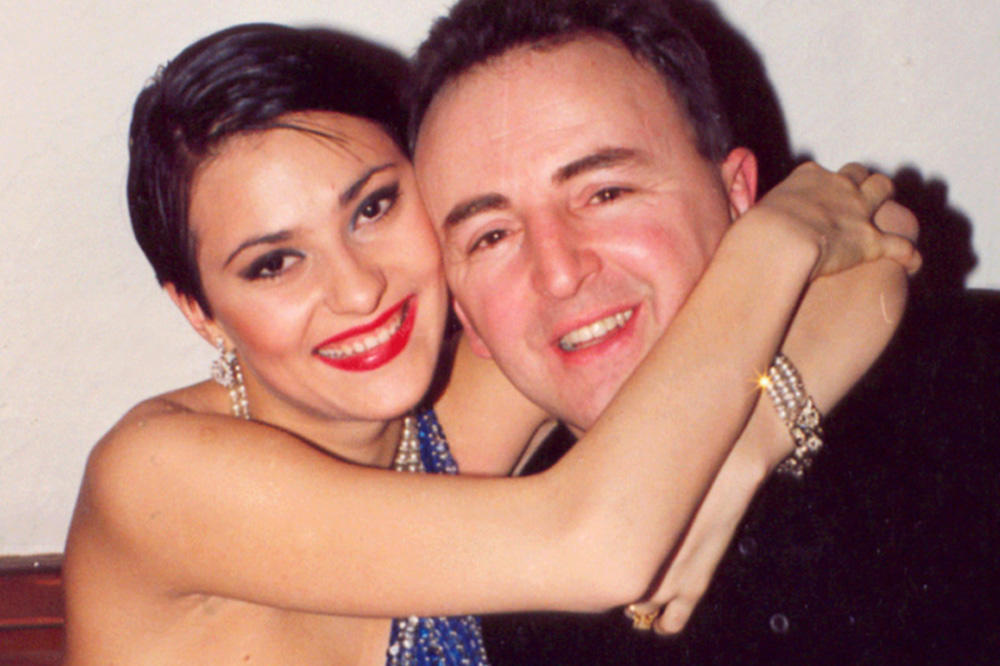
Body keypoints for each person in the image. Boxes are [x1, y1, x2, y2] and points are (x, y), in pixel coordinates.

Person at [62, 21, 916, 666]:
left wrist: (751, 445)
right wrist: (772, 243)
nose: (358, 290)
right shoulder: (158, 477)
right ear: (200, 312)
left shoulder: (450, 411)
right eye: (274, 263)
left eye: (373, 208)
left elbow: (875, 248)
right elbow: (597, 545)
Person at [409, 0, 997, 663]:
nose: (559, 273)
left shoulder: (970, 388)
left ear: (740, 196)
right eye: (491, 236)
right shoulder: (474, 614)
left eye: (606, 193)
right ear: (466, 317)